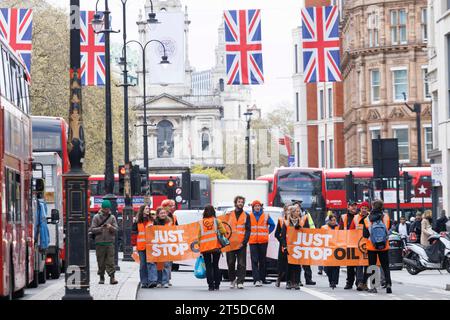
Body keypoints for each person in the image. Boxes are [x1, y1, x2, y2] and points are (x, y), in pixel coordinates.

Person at [362, 200, 392, 294]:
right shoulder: (386, 217)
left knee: (373, 266)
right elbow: (388, 230)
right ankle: (388, 284)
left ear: (372, 207)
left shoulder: (367, 219)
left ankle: (374, 287)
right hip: (384, 245)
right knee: (385, 266)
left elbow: (365, 235)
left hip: (372, 246)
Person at [89, 199, 119, 285]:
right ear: (102, 208)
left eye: (108, 209)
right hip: (99, 242)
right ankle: (101, 277)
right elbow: (92, 229)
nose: (107, 210)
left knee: (111, 261)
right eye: (105, 209)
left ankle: (112, 277)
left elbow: (116, 230)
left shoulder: (112, 217)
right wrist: (101, 228)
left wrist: (110, 227)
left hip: (110, 242)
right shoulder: (96, 217)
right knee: (100, 261)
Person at [198, 205, 227, 291]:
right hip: (216, 247)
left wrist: (200, 247)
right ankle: (217, 284)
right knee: (215, 265)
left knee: (208, 266)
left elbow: (199, 236)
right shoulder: (217, 221)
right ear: (213, 212)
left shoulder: (201, 222)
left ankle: (210, 285)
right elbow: (223, 231)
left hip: (205, 248)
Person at [226, 196, 251, 289]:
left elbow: (248, 230)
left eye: (242, 202)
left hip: (241, 244)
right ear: (235, 203)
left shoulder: (246, 216)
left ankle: (240, 281)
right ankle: (232, 280)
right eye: (239, 201)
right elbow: (224, 227)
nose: (240, 203)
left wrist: (244, 242)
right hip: (230, 243)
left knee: (241, 264)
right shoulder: (229, 215)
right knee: (231, 262)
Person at [249, 200, 276, 287]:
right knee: (254, 261)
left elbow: (273, 225)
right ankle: (256, 279)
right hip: (253, 241)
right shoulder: (249, 216)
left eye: (259, 206)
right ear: (253, 207)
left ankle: (262, 278)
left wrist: (267, 232)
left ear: (261, 207)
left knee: (262, 261)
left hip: (263, 241)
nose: (257, 207)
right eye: (255, 206)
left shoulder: (266, 216)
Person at [292, 201, 316, 286]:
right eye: (295, 209)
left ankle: (308, 279)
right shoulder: (291, 217)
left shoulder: (306, 215)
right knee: (297, 262)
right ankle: (298, 280)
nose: (297, 210)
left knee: (306, 261)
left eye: (298, 208)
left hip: (305, 240)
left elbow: (311, 226)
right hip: (296, 242)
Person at [339, 200, 361, 290]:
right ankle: (349, 282)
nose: (354, 207)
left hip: (359, 244)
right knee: (350, 265)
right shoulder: (344, 217)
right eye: (352, 206)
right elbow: (340, 230)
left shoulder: (360, 216)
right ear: (348, 207)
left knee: (359, 265)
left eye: (355, 206)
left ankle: (359, 282)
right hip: (348, 244)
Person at [280, 205, 302, 290]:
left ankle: (296, 282)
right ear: (292, 213)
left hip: (299, 247)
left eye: (298, 211)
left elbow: (307, 233)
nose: (298, 213)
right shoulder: (286, 223)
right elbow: (282, 236)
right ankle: (289, 282)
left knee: (297, 265)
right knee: (289, 265)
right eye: (296, 211)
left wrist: (301, 228)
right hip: (289, 247)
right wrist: (285, 246)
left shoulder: (301, 222)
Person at [136, 205, 157, 288]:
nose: (148, 210)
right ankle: (144, 282)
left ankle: (152, 281)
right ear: (142, 210)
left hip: (151, 246)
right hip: (141, 246)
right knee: (143, 265)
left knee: (151, 263)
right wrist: (134, 246)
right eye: (146, 209)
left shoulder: (152, 220)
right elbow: (134, 234)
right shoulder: (137, 221)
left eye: (148, 209)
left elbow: (157, 231)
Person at [153, 206, 173, 288]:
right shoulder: (154, 222)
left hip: (167, 246)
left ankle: (165, 281)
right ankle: (159, 281)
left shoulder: (169, 222)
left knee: (166, 264)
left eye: (164, 213)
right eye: (161, 213)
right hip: (157, 246)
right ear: (158, 214)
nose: (163, 214)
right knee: (158, 265)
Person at [321, 215, 340, 289]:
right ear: (328, 221)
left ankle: (333, 282)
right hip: (327, 249)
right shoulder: (324, 227)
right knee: (327, 268)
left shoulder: (338, 228)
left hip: (336, 249)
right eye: (331, 220)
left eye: (334, 220)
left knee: (335, 267)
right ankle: (331, 280)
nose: (333, 222)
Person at [355, 201, 370, 291]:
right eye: (362, 208)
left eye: (366, 208)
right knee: (359, 265)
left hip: (368, 245)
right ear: (360, 209)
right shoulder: (356, 218)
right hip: (358, 245)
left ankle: (364, 283)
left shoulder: (370, 218)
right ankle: (359, 282)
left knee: (367, 265)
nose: (364, 210)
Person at [275, 204, 290, 287]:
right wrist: (282, 241)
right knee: (281, 264)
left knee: (290, 264)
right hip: (283, 246)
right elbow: (276, 234)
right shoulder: (281, 220)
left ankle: (289, 280)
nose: (288, 212)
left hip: (292, 246)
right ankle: (279, 278)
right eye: (287, 210)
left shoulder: (294, 221)